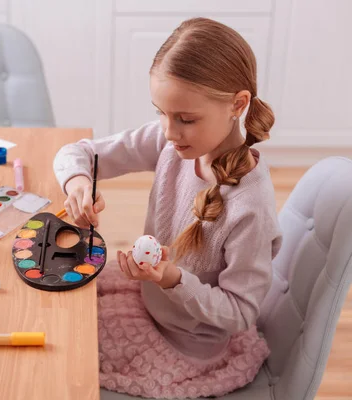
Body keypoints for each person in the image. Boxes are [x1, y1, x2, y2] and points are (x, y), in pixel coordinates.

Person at [53, 17, 283, 399]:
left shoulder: (249, 208)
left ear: (237, 105)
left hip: (186, 346)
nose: (168, 131)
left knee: (63, 359)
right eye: (161, 112)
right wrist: (79, 182)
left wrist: (173, 280)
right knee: (57, 308)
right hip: (148, 302)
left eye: (185, 119)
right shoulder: (173, 142)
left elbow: (241, 313)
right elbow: (76, 153)